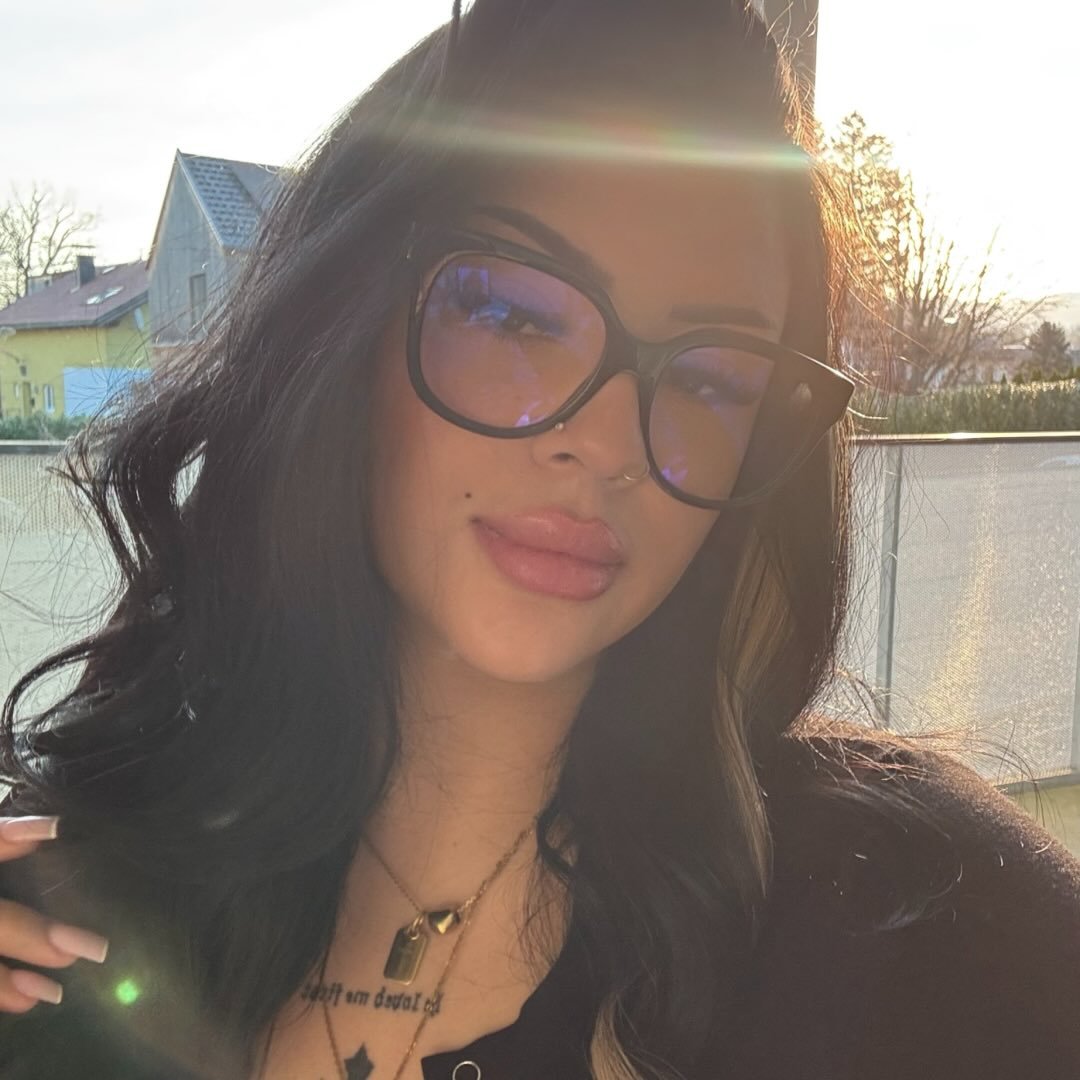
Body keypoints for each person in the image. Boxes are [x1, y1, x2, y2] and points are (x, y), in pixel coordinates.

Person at [0, 1, 1078, 1078]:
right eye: (511, 315)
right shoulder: (74, 898)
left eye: (712, 377)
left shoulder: (922, 921)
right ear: (344, 327)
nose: (607, 443)